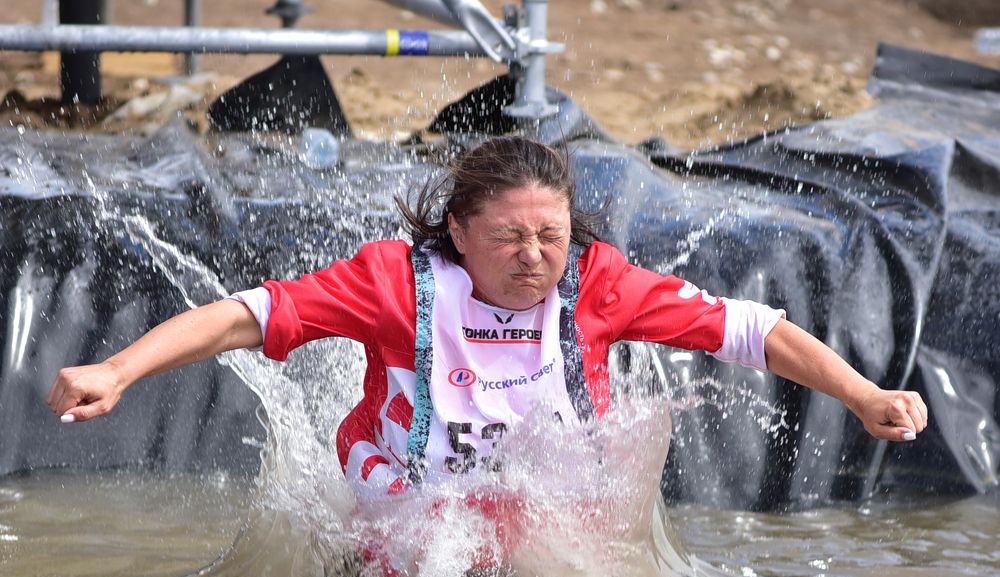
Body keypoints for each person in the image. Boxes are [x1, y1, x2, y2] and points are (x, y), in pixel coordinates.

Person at [47, 136, 928, 505]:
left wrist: (860, 393)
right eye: (508, 237)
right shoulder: (395, 283)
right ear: (460, 233)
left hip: (536, 501)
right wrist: (115, 370)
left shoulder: (599, 284)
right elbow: (246, 317)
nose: (534, 256)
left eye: (550, 234)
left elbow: (751, 328)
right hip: (398, 489)